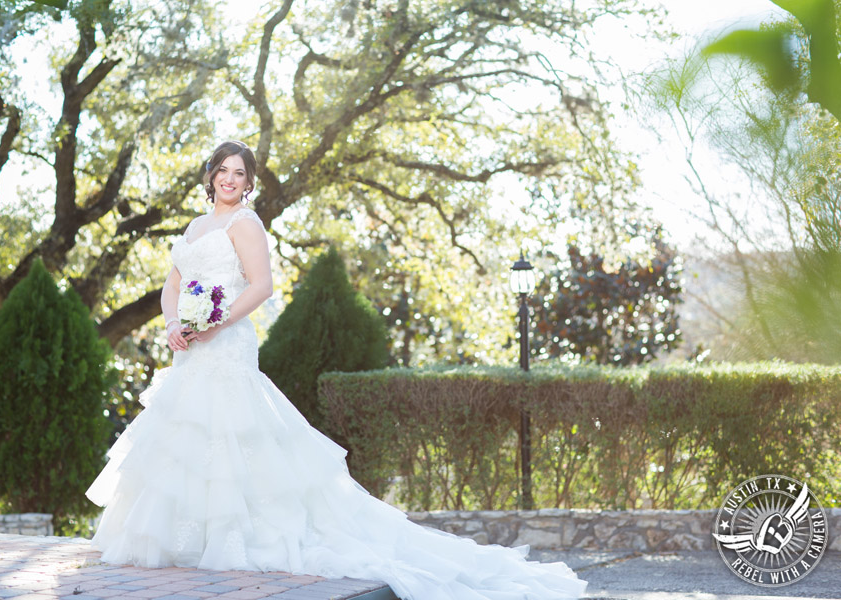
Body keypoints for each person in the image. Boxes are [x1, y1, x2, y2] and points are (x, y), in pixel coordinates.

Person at [85, 141, 587, 600]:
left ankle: (236, 537)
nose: (229, 179)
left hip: (226, 342)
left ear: (250, 182)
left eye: (239, 173)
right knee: (185, 435)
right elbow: (173, 285)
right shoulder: (195, 227)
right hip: (188, 348)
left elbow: (261, 286)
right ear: (210, 174)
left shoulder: (247, 224)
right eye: (222, 170)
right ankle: (181, 540)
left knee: (233, 432)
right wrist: (174, 323)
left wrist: (216, 321)